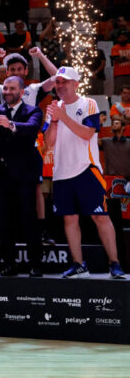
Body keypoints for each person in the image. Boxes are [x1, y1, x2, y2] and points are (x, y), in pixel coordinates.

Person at [43, 67, 125, 279]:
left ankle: (114, 263)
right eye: (58, 82)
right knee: (69, 219)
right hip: (61, 172)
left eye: (65, 82)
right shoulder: (53, 108)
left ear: (76, 84)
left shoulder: (88, 103)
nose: (60, 86)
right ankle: (79, 265)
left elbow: (87, 134)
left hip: (87, 168)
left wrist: (63, 117)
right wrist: (54, 120)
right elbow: (48, 144)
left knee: (100, 217)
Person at [0, 76, 44, 277]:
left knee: (28, 217)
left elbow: (32, 128)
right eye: (5, 88)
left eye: (11, 88)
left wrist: (10, 124)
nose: (6, 92)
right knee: (4, 219)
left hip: (25, 173)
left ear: (22, 92)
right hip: (2, 173)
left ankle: (36, 264)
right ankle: (9, 263)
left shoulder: (33, 110)